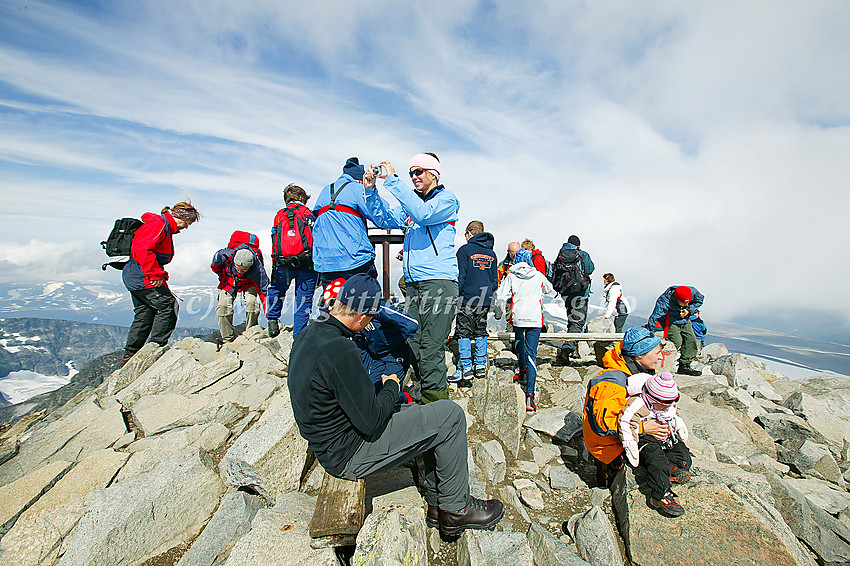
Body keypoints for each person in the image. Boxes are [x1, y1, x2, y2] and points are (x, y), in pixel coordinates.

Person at [287, 273, 504, 536]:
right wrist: (392, 385)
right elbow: (371, 421)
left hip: (332, 443)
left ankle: (438, 505)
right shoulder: (341, 349)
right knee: (451, 416)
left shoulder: (311, 333)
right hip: (348, 454)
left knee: (419, 413)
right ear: (361, 317)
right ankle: (456, 510)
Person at [364, 153, 460, 404]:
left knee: (431, 343)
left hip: (439, 282)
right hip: (415, 284)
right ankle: (424, 389)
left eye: (419, 171)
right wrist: (372, 191)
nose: (414, 177)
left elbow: (423, 215)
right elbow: (382, 218)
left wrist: (394, 180)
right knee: (411, 337)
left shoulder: (446, 200)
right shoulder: (411, 205)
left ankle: (436, 401)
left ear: (434, 174)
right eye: (411, 173)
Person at [582, 326, 672, 489]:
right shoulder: (611, 383)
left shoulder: (640, 370)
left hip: (628, 428)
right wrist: (644, 428)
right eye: (657, 353)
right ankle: (607, 472)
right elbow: (603, 426)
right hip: (607, 446)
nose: (660, 358)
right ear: (639, 355)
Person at [121, 201, 199, 366]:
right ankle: (156, 348)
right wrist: (155, 274)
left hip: (135, 276)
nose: (187, 227)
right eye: (187, 223)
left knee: (145, 313)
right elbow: (142, 249)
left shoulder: (162, 226)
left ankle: (130, 355)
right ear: (179, 217)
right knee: (169, 306)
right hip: (143, 277)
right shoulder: (159, 225)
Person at [321, 277, 419, 405]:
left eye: (333, 303)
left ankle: (406, 398)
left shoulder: (377, 308)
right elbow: (359, 337)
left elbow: (411, 324)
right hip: (374, 355)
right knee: (369, 391)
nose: (330, 309)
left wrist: (400, 339)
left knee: (388, 392)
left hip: (394, 355)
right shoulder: (351, 318)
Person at [619, 372, 691, 517]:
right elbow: (626, 422)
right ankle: (660, 495)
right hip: (646, 440)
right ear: (653, 398)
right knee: (656, 460)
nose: (667, 407)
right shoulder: (639, 403)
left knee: (684, 455)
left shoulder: (667, 403)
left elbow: (673, 417)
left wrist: (679, 427)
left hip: (665, 438)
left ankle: (673, 468)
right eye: (663, 405)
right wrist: (630, 446)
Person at [494, 249, 555, 412]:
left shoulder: (512, 275)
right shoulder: (538, 275)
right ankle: (530, 396)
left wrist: (498, 312)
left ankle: (521, 373)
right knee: (532, 354)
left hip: (518, 316)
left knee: (519, 341)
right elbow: (549, 289)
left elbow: (501, 296)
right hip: (535, 318)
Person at [311, 157, 381, 286]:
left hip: (326, 264)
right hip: (355, 261)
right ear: (360, 178)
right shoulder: (357, 189)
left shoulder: (324, 191)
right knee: (365, 302)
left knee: (333, 304)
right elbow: (380, 217)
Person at [267, 184, 317, 338]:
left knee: (277, 288)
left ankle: (272, 322)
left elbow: (275, 238)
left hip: (283, 262)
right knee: (303, 299)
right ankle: (299, 336)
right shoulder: (308, 214)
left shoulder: (279, 215)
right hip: (307, 263)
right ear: (303, 198)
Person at [451, 220, 498, 386]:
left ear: (469, 233)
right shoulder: (491, 254)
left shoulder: (464, 251)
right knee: (480, 330)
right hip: (485, 299)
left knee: (463, 331)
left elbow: (461, 276)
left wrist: (456, 295)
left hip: (467, 297)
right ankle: (479, 364)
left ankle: (465, 367)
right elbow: (494, 280)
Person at [211, 243, 270, 343]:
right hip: (230, 281)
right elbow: (214, 267)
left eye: (243, 270)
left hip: (249, 283)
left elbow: (264, 293)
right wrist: (222, 277)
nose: (240, 271)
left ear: (250, 266)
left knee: (252, 303)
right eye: (237, 268)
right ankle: (227, 339)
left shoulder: (258, 270)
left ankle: (251, 333)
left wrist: (270, 316)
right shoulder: (225, 256)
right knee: (223, 305)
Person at [552, 235, 595, 364]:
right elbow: (590, 269)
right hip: (580, 294)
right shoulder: (582, 254)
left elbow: (555, 272)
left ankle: (568, 349)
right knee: (577, 323)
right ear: (578, 245)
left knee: (571, 321)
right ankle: (566, 351)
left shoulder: (561, 255)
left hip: (566, 294)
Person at [646, 285, 704, 376]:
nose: (686, 305)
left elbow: (699, 300)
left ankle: (684, 366)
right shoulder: (665, 301)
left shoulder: (692, 292)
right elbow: (656, 315)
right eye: (683, 303)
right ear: (676, 299)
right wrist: (650, 330)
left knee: (691, 340)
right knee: (675, 342)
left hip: (685, 319)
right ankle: (659, 364)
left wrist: (689, 310)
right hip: (670, 321)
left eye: (687, 303)